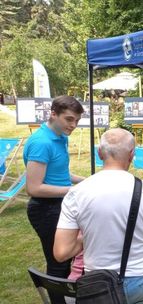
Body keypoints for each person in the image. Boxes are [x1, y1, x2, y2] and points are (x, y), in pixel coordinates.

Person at [54, 128, 143, 303]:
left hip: (98, 282)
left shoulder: (77, 193)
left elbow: (62, 253)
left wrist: (88, 234)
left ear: (99, 153)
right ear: (132, 155)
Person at [23, 95, 85, 303]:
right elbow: (33, 187)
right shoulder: (41, 142)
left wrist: (87, 181)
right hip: (45, 209)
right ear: (53, 114)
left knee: (67, 259)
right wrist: (72, 191)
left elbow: (60, 173)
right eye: (69, 119)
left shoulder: (60, 137)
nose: (73, 125)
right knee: (58, 260)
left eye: (76, 120)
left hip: (59, 205)